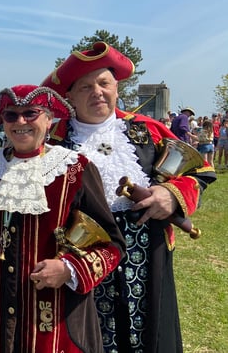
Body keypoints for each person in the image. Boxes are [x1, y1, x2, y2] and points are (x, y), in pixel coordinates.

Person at [41, 41, 217, 353]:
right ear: (69, 96)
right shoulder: (53, 141)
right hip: (84, 258)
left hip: (149, 255)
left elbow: (200, 170)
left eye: (104, 83)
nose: (97, 92)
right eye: (85, 86)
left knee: (148, 336)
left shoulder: (148, 130)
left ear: (117, 88)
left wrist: (170, 195)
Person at [0, 84, 125, 352]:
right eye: (11, 115)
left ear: (48, 118)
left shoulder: (76, 169)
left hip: (60, 327)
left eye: (31, 113)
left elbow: (112, 246)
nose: (20, 122)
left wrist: (69, 268)